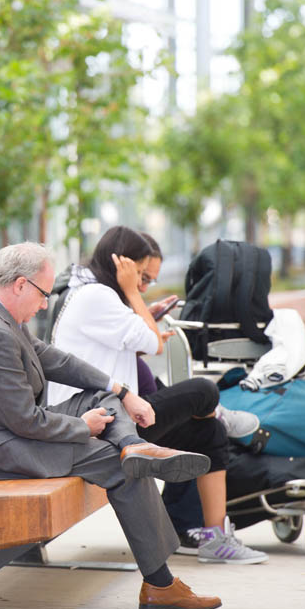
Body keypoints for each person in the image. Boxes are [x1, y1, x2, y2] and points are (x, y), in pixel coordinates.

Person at [0, 242, 222, 609]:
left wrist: (119, 389)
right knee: (119, 467)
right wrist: (81, 427)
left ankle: (134, 446)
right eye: (43, 294)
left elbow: (55, 359)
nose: (44, 304)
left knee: (103, 400)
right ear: (20, 285)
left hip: (7, 434)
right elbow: (25, 420)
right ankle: (160, 585)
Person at [47, 227, 267, 565]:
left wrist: (141, 307)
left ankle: (214, 538)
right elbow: (154, 343)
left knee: (208, 432)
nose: (144, 286)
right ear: (122, 267)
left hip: (116, 420)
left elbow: (138, 345)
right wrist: (134, 298)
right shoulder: (96, 296)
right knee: (203, 391)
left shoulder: (97, 295)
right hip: (101, 428)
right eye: (142, 277)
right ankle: (215, 409)